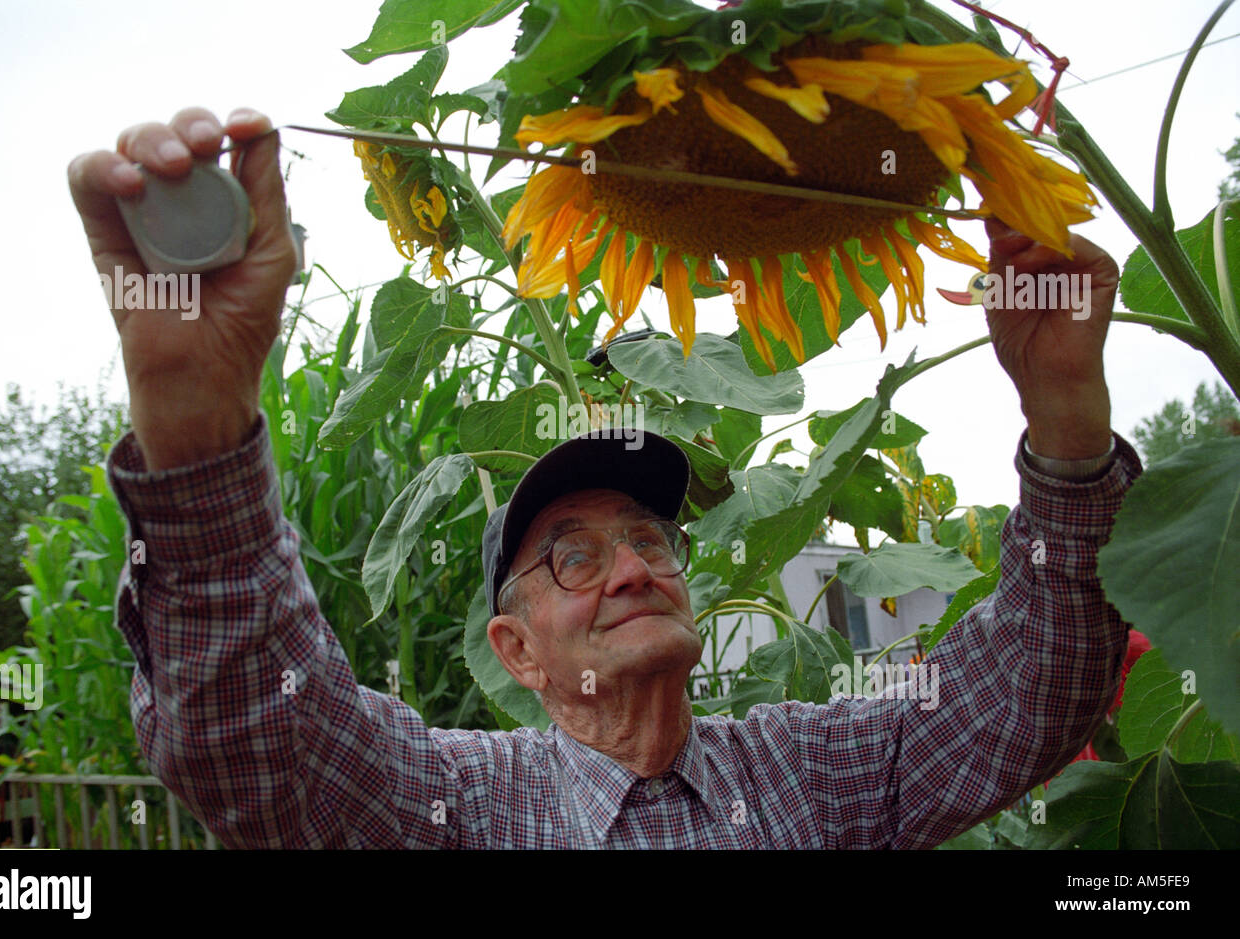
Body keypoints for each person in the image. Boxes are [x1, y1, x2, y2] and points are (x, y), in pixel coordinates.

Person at [68, 107, 1140, 848]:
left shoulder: (816, 768)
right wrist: (198, 433)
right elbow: (260, 747)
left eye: (648, 539)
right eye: (572, 556)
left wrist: (1062, 413)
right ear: (514, 650)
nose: (631, 568)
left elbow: (1030, 693)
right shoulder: (455, 807)